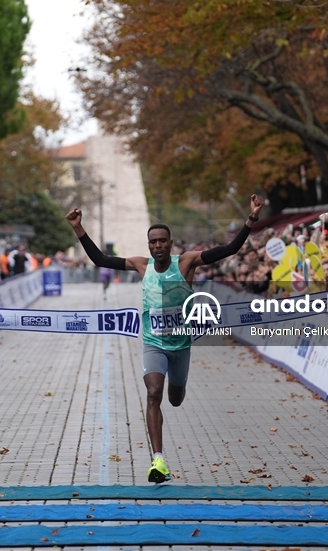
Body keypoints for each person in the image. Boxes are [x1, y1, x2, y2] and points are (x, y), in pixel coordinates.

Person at [66, 193, 265, 483]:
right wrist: (78, 228)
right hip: (153, 343)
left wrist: (252, 218)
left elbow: (228, 249)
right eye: (153, 241)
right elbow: (100, 259)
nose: (158, 245)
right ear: (148, 245)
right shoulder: (140, 265)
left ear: (170, 244)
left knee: (175, 398)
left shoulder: (186, 263)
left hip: (181, 345)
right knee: (153, 393)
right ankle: (158, 461)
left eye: (162, 241)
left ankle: (179, 385)